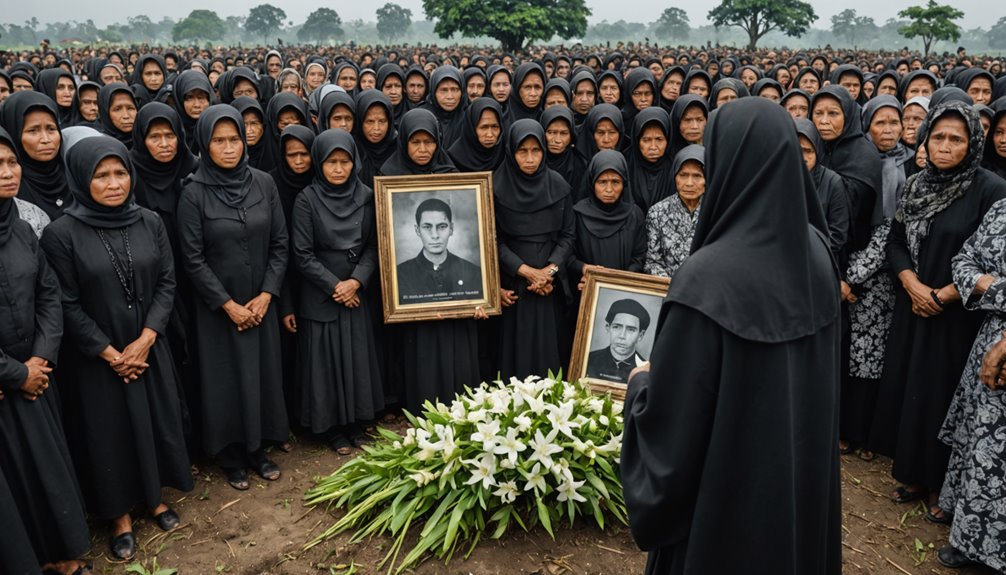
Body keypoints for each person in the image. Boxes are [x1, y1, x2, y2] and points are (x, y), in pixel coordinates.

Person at [621, 97, 842, 575]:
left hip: (722, 514)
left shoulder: (706, 279)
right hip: (793, 492)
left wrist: (640, 384)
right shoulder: (817, 253)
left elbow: (672, 431)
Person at [40, 136, 193, 561]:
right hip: (98, 357)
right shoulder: (61, 234)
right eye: (101, 175)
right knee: (109, 433)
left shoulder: (149, 221)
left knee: (153, 420)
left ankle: (155, 498)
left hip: (146, 345)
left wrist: (146, 339)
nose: (113, 183)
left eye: (120, 173)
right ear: (81, 179)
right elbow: (64, 302)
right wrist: (110, 353)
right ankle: (120, 516)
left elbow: (166, 281)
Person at [870, 101, 1006, 521]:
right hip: (913, 304)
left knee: (942, 395)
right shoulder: (916, 185)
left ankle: (940, 486)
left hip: (957, 315)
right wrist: (911, 283)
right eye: (938, 137)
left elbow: (989, 259)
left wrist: (944, 294)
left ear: (973, 144)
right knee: (911, 388)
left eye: (956, 139)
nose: (945, 147)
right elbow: (893, 241)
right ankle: (912, 472)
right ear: (925, 139)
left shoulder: (990, 190)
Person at [177, 105, 290, 492]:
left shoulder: (264, 183)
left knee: (261, 375)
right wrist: (228, 305)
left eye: (235, 139)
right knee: (224, 379)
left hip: (260, 304)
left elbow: (280, 243)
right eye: (218, 141)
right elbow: (191, 259)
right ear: (204, 144)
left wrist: (266, 294)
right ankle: (230, 455)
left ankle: (258, 448)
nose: (228, 148)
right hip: (218, 311)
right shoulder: (193, 193)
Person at [0, 127, 93, 575]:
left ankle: (62, 554)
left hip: (37, 376)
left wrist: (40, 357)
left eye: (11, 163)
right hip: (7, 383)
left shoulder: (19, 230)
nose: (7, 173)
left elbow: (48, 295)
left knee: (47, 467)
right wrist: (14, 373)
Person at [291, 129, 383, 454]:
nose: (339, 169)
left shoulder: (367, 195)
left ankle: (356, 423)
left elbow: (374, 245)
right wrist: (335, 286)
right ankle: (331, 429)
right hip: (321, 293)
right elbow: (301, 253)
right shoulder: (306, 199)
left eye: (345, 161)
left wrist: (356, 281)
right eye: (332, 162)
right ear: (320, 163)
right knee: (326, 363)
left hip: (357, 290)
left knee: (356, 357)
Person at [931, 200, 1006, 571]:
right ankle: (968, 536)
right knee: (979, 438)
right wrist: (986, 285)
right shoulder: (1001, 208)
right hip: (988, 334)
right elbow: (963, 261)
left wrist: (989, 286)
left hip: (1003, 342)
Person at [494, 119, 574, 378]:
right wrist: (528, 272)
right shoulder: (496, 186)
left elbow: (568, 235)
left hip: (551, 284)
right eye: (522, 151)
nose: (530, 158)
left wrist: (549, 272)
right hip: (515, 281)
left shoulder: (558, 185)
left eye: (536, 150)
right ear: (510, 151)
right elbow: (494, 239)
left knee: (551, 348)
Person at [0, 91, 72, 220]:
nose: (45, 139)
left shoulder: (75, 176)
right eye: (33, 131)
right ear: (14, 132)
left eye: (51, 129)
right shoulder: (8, 183)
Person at [397, 198, 483, 305]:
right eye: (427, 227)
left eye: (442, 227)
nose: (435, 235)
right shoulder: (399, 275)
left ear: (451, 229)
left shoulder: (473, 273)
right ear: (418, 230)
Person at [644, 145, 705, 278]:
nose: (689, 183)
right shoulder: (657, 213)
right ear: (674, 176)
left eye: (697, 176)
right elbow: (652, 262)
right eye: (683, 175)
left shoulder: (717, 212)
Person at [585, 298, 650, 384]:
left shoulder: (644, 369)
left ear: (640, 335)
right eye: (617, 327)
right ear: (608, 328)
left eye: (631, 329)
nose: (622, 336)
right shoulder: (588, 360)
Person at [447, 97, 505, 173]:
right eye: (483, 127)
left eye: (495, 127)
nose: (490, 134)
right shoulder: (454, 157)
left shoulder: (505, 152)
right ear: (471, 128)